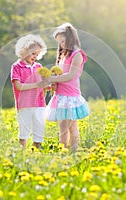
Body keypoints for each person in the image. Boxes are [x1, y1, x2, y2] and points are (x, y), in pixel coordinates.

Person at [45, 22, 90, 151]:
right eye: (59, 43)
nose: (61, 45)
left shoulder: (77, 55)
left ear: (70, 39)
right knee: (69, 127)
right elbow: (60, 74)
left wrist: (53, 78)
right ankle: (71, 151)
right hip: (60, 95)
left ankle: (65, 152)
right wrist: (52, 83)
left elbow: (70, 75)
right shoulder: (63, 55)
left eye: (63, 41)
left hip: (69, 97)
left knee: (65, 128)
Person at [11, 34, 48, 148]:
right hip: (24, 104)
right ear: (24, 50)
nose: (35, 57)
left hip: (39, 103)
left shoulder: (38, 66)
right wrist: (37, 84)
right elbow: (18, 86)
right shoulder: (17, 66)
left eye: (37, 54)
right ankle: (22, 153)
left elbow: (42, 84)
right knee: (24, 130)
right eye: (33, 53)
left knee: (39, 129)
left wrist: (47, 86)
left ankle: (36, 152)